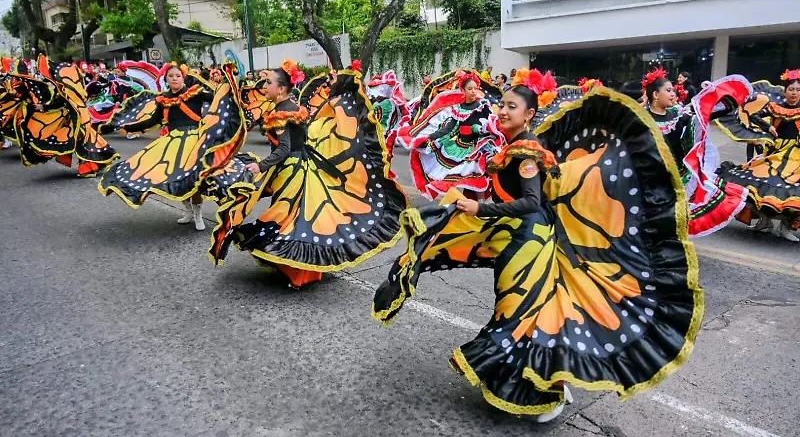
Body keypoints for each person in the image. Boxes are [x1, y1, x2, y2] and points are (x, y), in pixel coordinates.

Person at [374, 70, 703, 423]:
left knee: (520, 318)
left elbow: (531, 202)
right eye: (501, 104)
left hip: (528, 242)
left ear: (529, 114)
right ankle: (550, 379)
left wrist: (479, 208)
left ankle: (549, 393)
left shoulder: (527, 155)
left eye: (511, 107)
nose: (501, 111)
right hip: (520, 238)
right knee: (532, 316)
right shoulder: (518, 147)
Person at [209, 62, 409, 288]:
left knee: (291, 222)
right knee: (301, 221)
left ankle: (299, 274)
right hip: (304, 166)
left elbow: (284, 149)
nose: (265, 86)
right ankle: (304, 270)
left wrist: (261, 166)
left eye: (269, 82)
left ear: (282, 88)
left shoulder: (281, 113)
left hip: (290, 171)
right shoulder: (295, 107)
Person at [98, 62, 247, 231]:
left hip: (195, 141)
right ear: (166, 79)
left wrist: (230, 82)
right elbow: (153, 120)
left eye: (178, 76)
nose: (175, 78)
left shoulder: (195, 93)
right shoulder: (162, 100)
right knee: (176, 179)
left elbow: (218, 97)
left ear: (183, 78)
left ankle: (198, 215)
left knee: (194, 179)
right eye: (171, 76)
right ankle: (189, 211)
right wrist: (129, 127)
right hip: (172, 143)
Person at [642, 67, 749, 237]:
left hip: (677, 175)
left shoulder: (679, 114)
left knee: (672, 217)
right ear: (655, 95)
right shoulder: (640, 118)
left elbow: (710, 112)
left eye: (673, 90)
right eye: (668, 90)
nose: (672, 93)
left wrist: (711, 96)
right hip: (648, 177)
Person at [716, 69, 800, 241]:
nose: (794, 93)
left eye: (798, 90)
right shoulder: (776, 107)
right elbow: (752, 114)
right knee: (762, 186)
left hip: (795, 157)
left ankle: (785, 226)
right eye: (791, 89)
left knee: (791, 192)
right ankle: (765, 221)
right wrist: (767, 127)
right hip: (775, 153)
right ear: (785, 91)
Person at [396, 70, 506, 200]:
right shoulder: (458, 108)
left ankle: (481, 203)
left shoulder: (483, 106)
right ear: (463, 90)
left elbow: (491, 124)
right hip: (458, 146)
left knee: (477, 173)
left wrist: (480, 129)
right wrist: (430, 137)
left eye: (475, 88)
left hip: (477, 146)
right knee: (456, 176)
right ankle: (457, 202)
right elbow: (449, 128)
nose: (473, 91)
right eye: (470, 88)